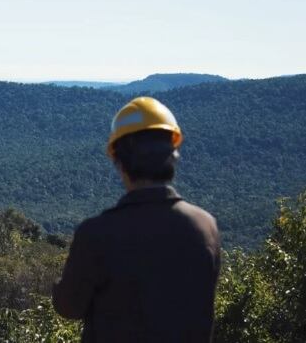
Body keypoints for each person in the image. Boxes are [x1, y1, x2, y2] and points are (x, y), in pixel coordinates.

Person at [52, 96, 221, 342]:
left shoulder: (97, 235)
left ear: (119, 162)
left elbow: (69, 308)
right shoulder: (206, 227)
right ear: (173, 156)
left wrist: (58, 284)